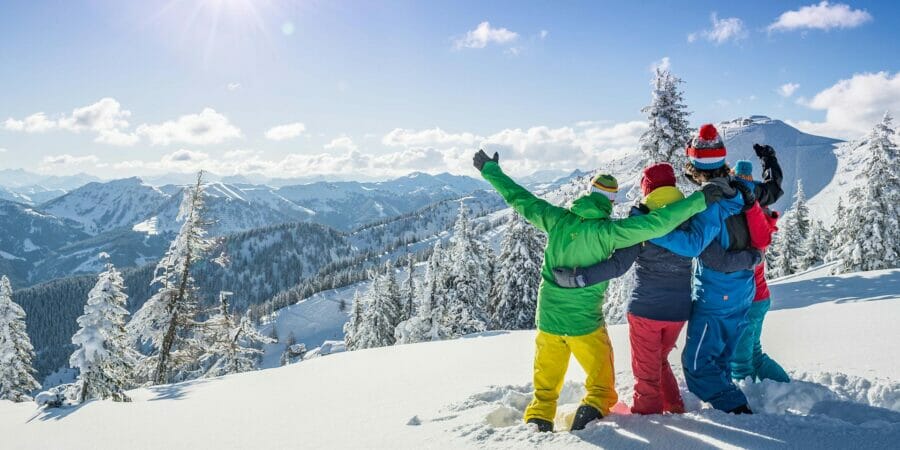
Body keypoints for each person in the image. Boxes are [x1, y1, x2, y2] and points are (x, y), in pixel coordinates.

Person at [473, 150, 723, 432]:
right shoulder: (611, 232)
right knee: (602, 386)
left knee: (545, 383)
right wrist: (701, 198)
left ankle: (540, 417)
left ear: (588, 192)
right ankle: (591, 410)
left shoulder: (556, 219)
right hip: (585, 324)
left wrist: (490, 170)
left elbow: (518, 198)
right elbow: (658, 223)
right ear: (612, 201)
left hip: (548, 320)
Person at [551, 162, 760, 415]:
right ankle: (673, 405)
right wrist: (751, 258)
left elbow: (618, 265)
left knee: (646, 373)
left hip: (645, 311)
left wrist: (580, 277)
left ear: (647, 189)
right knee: (659, 361)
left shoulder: (641, 222)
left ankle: (646, 417)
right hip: (679, 312)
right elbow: (714, 256)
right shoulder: (689, 217)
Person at [646, 124, 767, 414]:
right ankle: (730, 402)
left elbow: (692, 245)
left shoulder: (709, 203)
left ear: (695, 164)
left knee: (697, 364)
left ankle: (737, 409)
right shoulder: (738, 189)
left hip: (718, 293)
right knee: (720, 355)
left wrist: (650, 229)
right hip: (743, 289)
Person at [729, 160, 790, 383]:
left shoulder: (750, 220)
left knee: (741, 361)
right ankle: (786, 389)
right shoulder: (760, 215)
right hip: (758, 298)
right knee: (754, 355)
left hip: (750, 299)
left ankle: (747, 408)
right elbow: (772, 186)